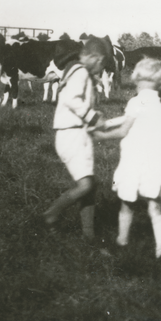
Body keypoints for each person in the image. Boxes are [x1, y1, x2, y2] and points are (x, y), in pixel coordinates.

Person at [92, 57, 161, 266]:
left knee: (127, 205)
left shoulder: (136, 101)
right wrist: (107, 123)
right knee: (155, 209)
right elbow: (130, 118)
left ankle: (122, 242)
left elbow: (124, 129)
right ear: (160, 84)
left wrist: (98, 136)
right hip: (157, 165)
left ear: (136, 79)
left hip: (134, 165)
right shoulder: (157, 105)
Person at [44, 38, 109, 239]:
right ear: (93, 57)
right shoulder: (80, 72)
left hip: (76, 133)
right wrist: (92, 116)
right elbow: (73, 100)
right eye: (101, 64)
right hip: (71, 134)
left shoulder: (78, 71)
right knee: (86, 185)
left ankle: (89, 236)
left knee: (90, 185)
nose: (100, 70)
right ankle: (51, 214)